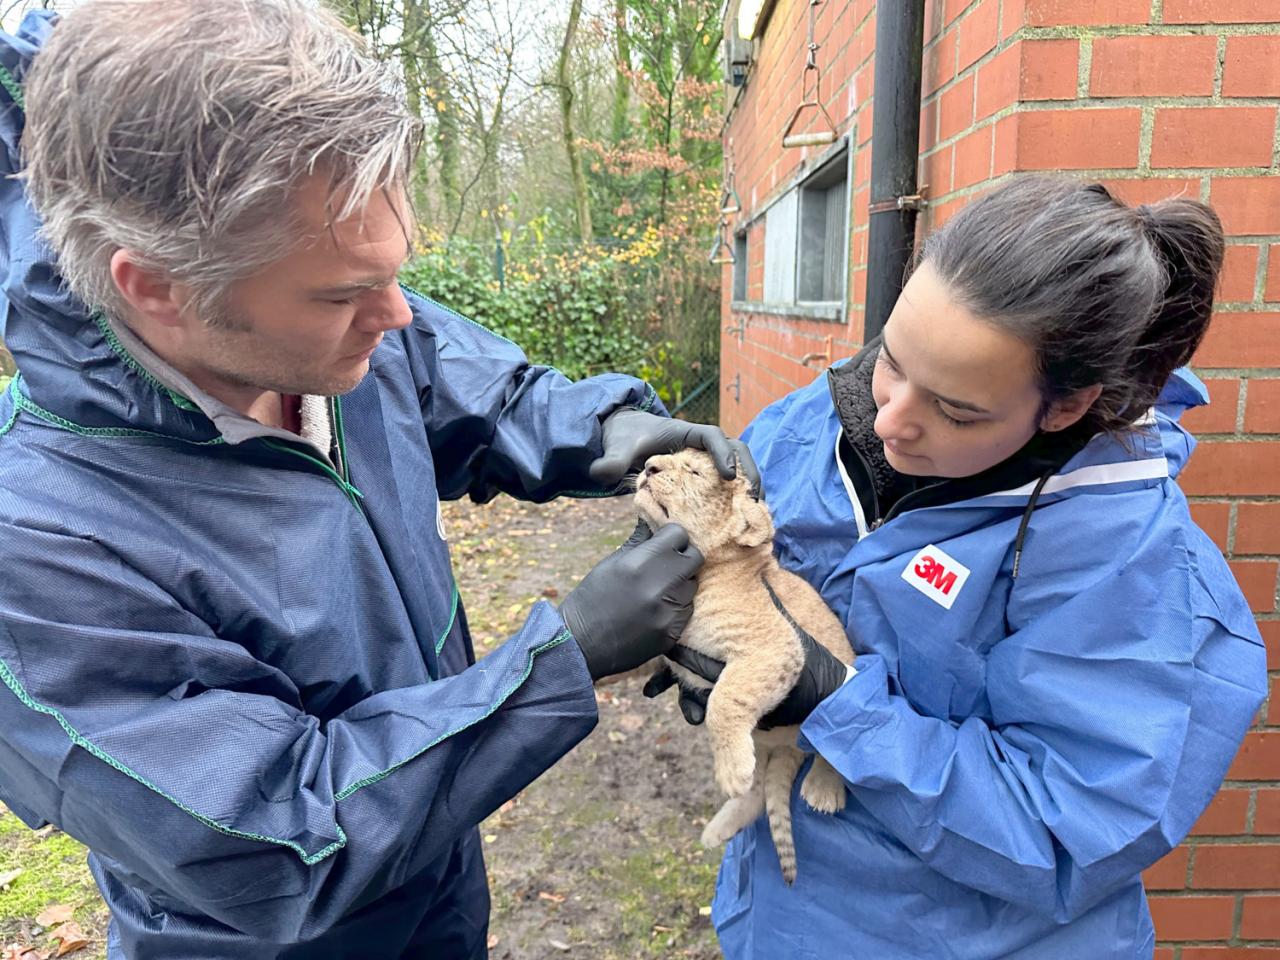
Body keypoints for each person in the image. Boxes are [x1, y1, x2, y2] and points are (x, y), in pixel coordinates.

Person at [0, 3, 758, 958]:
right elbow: (277, 840)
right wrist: (561, 659)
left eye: (394, 271)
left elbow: (465, 385)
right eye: (344, 292)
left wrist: (601, 427)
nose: (397, 314)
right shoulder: (37, 551)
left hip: (438, 892)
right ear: (157, 287)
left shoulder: (318, 304)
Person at [647, 176, 1268, 959]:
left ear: (1066, 407)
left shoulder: (1129, 565)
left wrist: (841, 705)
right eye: (892, 359)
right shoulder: (823, 420)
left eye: (957, 410)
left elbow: (1065, 830)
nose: (890, 418)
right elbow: (740, 558)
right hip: (783, 915)